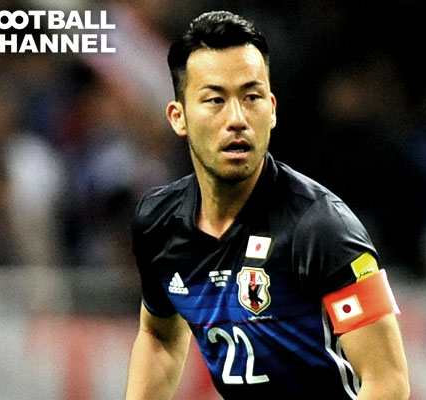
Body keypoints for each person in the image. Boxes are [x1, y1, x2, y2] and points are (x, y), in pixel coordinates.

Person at [126, 11, 410, 400]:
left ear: (272, 109)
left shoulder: (322, 228)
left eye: (252, 97)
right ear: (179, 117)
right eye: (215, 100)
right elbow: (159, 336)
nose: (237, 119)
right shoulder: (158, 223)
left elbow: (388, 382)